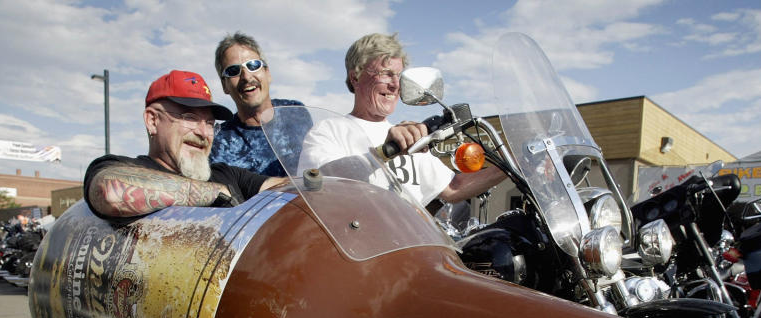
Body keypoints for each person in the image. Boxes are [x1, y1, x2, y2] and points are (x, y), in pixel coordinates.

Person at [298, 33, 505, 208]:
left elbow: (453, 187)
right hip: (356, 249)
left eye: (399, 76)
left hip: (409, 247)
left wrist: (517, 168)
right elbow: (315, 184)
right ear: (355, 78)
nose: (396, 85)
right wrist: (385, 151)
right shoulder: (329, 131)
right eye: (386, 74)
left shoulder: (409, 135)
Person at [85, 69, 287, 218]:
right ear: (152, 121)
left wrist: (314, 182)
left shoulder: (227, 174)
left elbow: (284, 187)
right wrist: (218, 194)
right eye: (189, 118)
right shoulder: (121, 168)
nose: (203, 132)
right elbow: (109, 193)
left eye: (209, 123)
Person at [209, 32, 310, 177]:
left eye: (253, 65)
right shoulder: (218, 143)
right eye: (233, 71)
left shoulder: (297, 111)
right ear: (224, 85)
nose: (246, 76)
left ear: (267, 73)